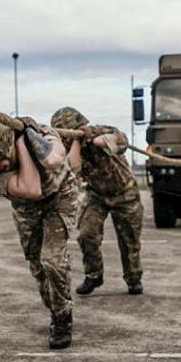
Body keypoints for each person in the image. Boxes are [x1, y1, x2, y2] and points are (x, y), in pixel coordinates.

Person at [0, 116, 81, 347]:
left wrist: (26, 137)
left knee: (52, 260)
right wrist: (20, 145)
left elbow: (53, 160)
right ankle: (55, 308)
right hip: (27, 208)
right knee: (37, 265)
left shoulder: (40, 133)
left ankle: (62, 317)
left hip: (60, 198)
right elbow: (32, 189)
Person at [50, 107, 145, 296]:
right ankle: (94, 275)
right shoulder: (69, 148)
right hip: (97, 195)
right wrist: (77, 141)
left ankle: (133, 279)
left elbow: (121, 141)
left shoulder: (99, 131)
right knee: (87, 234)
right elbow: (73, 169)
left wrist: (95, 140)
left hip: (124, 193)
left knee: (129, 240)